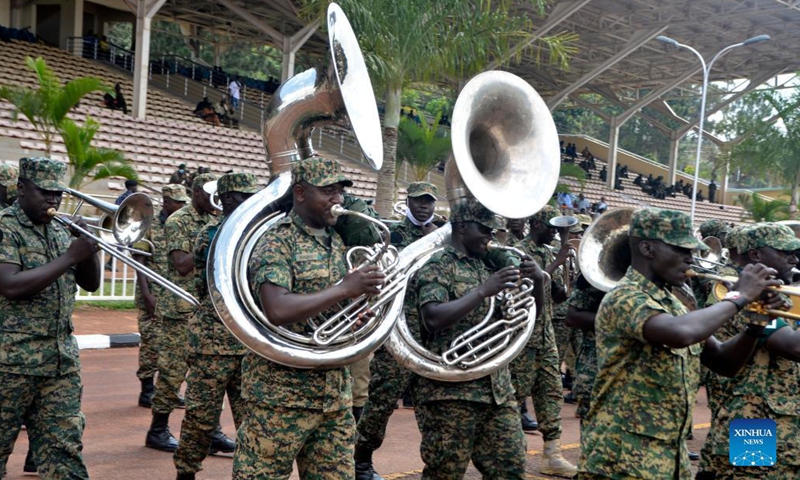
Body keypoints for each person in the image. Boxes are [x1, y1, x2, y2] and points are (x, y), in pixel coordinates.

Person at [578, 208, 786, 479]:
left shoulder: (675, 303)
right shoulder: (625, 297)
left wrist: (757, 323)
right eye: (681, 250)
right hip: (622, 459)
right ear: (647, 248)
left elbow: (723, 361)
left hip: (668, 457)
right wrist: (740, 297)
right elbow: (682, 334)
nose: (691, 258)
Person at [234, 157, 385, 479]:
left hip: (334, 396)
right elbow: (278, 309)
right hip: (280, 398)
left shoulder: (338, 243)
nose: (338, 200)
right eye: (328, 191)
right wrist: (345, 289)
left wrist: (353, 315)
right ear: (300, 193)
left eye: (341, 193)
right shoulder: (277, 240)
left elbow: (328, 305)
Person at [413, 197, 546, 479]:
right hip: (451, 392)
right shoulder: (437, 265)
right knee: (444, 473)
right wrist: (482, 292)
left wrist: (539, 284)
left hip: (497, 389)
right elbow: (433, 318)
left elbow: (529, 314)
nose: (490, 236)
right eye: (484, 230)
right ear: (461, 227)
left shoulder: (490, 265)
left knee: (510, 468)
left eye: (492, 231)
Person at [0, 157, 101, 479]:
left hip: (60, 364)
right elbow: (10, 286)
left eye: (58, 194)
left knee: (64, 453)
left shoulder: (60, 229)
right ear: (21, 189)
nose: (53, 200)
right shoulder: (5, 227)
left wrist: (89, 250)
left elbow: (91, 284)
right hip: (10, 365)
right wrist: (70, 256)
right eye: (45, 192)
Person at [174, 173, 261, 480]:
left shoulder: (261, 232)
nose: (251, 202)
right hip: (212, 343)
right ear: (225, 200)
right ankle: (185, 473)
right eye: (242, 196)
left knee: (253, 422)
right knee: (200, 419)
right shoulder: (212, 232)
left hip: (250, 345)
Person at [354, 181, 442, 480]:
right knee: (382, 400)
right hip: (398, 328)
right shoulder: (394, 235)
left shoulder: (444, 235)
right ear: (408, 201)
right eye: (418, 201)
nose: (423, 206)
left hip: (432, 331)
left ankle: (437, 466)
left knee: (434, 405)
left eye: (428, 202)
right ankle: (361, 460)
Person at [698, 224, 800, 479]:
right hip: (752, 422)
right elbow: (794, 346)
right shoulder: (741, 295)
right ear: (755, 256)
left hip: (768, 419)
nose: (794, 258)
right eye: (785, 252)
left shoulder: (768, 292)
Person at [145, 173, 222, 452]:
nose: (214, 197)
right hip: (179, 309)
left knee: (209, 374)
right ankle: (157, 429)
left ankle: (211, 431)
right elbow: (182, 264)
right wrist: (215, 240)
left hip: (206, 308)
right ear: (197, 192)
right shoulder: (179, 220)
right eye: (209, 192)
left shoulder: (214, 220)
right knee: (171, 372)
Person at [509, 206, 578, 477]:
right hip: (522, 335)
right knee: (515, 395)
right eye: (551, 227)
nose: (555, 232)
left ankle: (552, 454)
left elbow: (559, 296)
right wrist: (556, 263)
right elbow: (522, 284)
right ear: (536, 225)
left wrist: (568, 274)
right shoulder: (518, 251)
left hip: (546, 335)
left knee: (550, 393)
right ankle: (513, 457)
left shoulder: (549, 252)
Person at [132, 184, 188, 408]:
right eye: (178, 202)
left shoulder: (179, 225)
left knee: (172, 346)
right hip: (152, 294)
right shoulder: (150, 227)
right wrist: (146, 295)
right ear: (166, 202)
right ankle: (147, 391)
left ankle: (165, 391)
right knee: (151, 343)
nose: (182, 206)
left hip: (172, 297)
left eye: (184, 202)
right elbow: (139, 261)